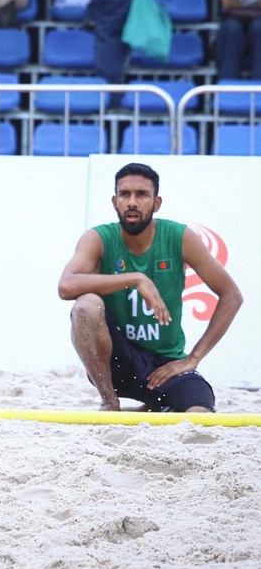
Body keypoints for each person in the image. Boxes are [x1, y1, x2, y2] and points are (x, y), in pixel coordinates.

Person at [58, 162, 243, 413]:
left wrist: (193, 358)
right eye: (125, 194)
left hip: (166, 363)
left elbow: (232, 294)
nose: (132, 202)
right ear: (115, 202)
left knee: (199, 415)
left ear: (156, 203)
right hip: (117, 364)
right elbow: (66, 286)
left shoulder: (179, 236)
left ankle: (152, 406)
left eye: (142, 194)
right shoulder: (99, 238)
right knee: (85, 306)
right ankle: (109, 401)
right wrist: (136, 278)